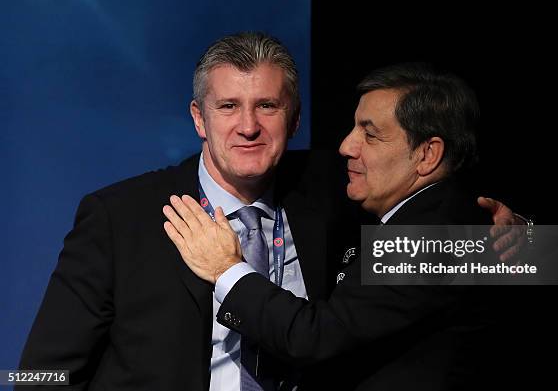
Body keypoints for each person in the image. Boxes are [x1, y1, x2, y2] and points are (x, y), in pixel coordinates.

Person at [20, 33, 519, 391]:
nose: (248, 127)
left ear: (295, 119)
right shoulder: (118, 216)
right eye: (228, 106)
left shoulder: (341, 188)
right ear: (199, 118)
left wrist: (524, 236)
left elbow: (439, 213)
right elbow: (39, 372)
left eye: (267, 106)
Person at [165, 62, 512, 390]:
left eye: (370, 135)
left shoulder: (428, 237)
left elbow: (312, 337)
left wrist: (226, 268)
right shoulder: (443, 218)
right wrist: (526, 233)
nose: (347, 146)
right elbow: (551, 261)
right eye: (353, 128)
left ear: (427, 154)